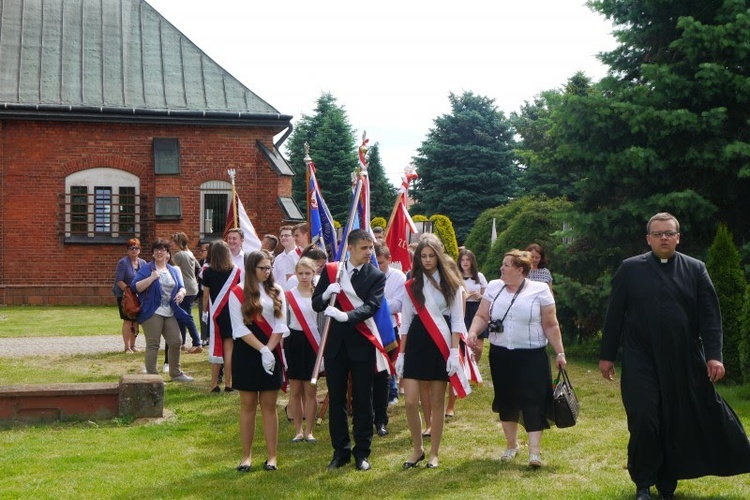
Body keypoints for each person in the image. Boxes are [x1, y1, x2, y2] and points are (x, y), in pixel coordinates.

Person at [600, 212, 750, 500]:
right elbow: (614, 315)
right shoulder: (630, 269)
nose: (664, 238)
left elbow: (710, 317)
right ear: (648, 239)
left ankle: (667, 482)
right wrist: (607, 355)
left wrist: (714, 356)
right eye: (658, 234)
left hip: (683, 359)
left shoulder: (696, 269)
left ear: (678, 237)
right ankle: (643, 483)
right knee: (644, 418)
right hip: (640, 358)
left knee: (674, 419)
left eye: (669, 233)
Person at [467, 249, 565, 469]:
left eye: (506, 265)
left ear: (520, 270)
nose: (501, 268)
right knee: (506, 398)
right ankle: (511, 445)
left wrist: (560, 352)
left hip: (532, 355)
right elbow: (482, 316)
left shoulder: (539, 290)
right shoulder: (493, 287)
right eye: (502, 264)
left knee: (534, 399)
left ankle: (534, 452)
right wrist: (473, 332)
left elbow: (551, 324)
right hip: (501, 354)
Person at [312, 229, 388, 472]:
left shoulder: (376, 275)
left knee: (363, 400)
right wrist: (325, 293)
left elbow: (372, 307)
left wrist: (346, 315)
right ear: (351, 248)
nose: (369, 252)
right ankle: (340, 451)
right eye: (364, 248)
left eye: (371, 248)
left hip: (361, 343)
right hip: (335, 345)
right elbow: (316, 303)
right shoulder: (333, 271)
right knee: (336, 400)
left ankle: (362, 452)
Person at [396, 237, 467, 469]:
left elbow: (457, 321)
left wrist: (454, 353)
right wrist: (402, 354)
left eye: (431, 255)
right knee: (409, 401)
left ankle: (434, 452)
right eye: (423, 256)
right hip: (416, 342)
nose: (427, 260)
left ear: (438, 255)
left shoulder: (453, 284)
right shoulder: (412, 284)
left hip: (441, 342)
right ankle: (417, 449)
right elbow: (405, 322)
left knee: (438, 402)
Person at [228, 250, 288, 472]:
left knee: (269, 405)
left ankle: (272, 457)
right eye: (262, 268)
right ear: (251, 269)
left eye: (269, 267)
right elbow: (239, 328)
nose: (267, 271)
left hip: (271, 351)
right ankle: (246, 457)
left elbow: (281, 324)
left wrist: (269, 351)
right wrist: (262, 349)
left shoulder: (277, 290)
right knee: (247, 405)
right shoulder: (237, 292)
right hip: (247, 350)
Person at [132, 239, 194, 382]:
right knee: (153, 344)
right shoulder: (147, 269)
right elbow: (135, 287)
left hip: (170, 311)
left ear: (168, 253)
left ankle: (176, 373)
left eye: (163, 249)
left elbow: (182, 287)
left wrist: (182, 293)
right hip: (152, 311)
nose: (159, 252)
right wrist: (151, 278)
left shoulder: (173, 270)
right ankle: (152, 377)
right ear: (153, 253)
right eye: (156, 250)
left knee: (176, 341)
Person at [284, 257, 322, 443]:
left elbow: (323, 323)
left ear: (314, 273)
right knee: (295, 390)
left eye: (308, 273)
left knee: (311, 390)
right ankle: (298, 430)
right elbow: (283, 322)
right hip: (294, 341)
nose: (304, 277)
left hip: (313, 343)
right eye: (301, 273)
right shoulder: (288, 295)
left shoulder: (319, 295)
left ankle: (309, 430)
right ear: (296, 274)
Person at [374, 243, 406, 435]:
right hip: (365, 329)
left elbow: (399, 304)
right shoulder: (365, 274)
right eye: (375, 263)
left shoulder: (398, 277)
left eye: (381, 263)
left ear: (389, 259)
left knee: (384, 374)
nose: (378, 267)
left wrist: (377, 302)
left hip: (387, 328)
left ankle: (381, 418)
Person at [202, 241, 241, 393]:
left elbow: (205, 295)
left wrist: (205, 312)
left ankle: (213, 384)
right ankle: (229, 383)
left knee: (216, 346)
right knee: (229, 348)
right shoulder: (235, 271)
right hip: (231, 312)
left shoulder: (208, 271)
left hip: (216, 313)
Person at [170, 232, 203, 354]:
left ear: (178, 242)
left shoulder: (178, 255)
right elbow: (199, 268)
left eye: (173, 241)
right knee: (181, 316)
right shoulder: (190, 253)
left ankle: (196, 343)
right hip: (192, 287)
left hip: (185, 289)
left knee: (186, 316)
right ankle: (182, 342)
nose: (171, 243)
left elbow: (169, 269)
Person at [113, 238, 146, 353]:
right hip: (124, 296)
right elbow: (119, 281)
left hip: (139, 296)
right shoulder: (123, 263)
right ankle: (127, 347)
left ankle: (133, 345)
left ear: (139, 250)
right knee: (128, 320)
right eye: (131, 248)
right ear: (127, 250)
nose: (134, 250)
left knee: (136, 320)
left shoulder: (143, 263)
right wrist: (130, 292)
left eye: (136, 248)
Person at [273, 225, 300, 290]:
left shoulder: (300, 255)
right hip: (281, 294)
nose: (283, 238)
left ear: (294, 237)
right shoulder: (278, 258)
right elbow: (274, 277)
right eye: (281, 236)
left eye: (286, 235)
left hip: (295, 294)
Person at [196, 242, 211, 346]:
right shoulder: (201, 262)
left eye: (203, 250)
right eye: (200, 251)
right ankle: (204, 338)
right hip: (202, 292)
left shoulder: (213, 263)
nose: (201, 253)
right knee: (202, 314)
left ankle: (210, 336)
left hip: (212, 293)